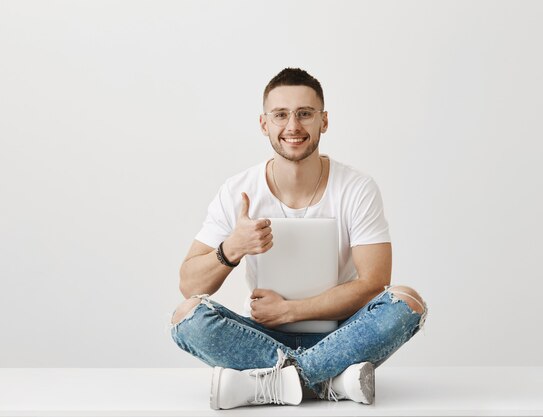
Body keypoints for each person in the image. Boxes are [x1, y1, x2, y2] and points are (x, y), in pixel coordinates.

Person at [170, 68, 428, 410]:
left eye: (305, 114)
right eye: (281, 115)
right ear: (265, 124)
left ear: (324, 121)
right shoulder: (238, 190)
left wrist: (291, 310)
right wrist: (232, 248)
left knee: (407, 302)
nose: (293, 126)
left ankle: (267, 384)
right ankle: (332, 381)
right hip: (262, 334)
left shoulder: (356, 187)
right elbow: (189, 284)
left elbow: (375, 282)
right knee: (186, 316)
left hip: (342, 334)